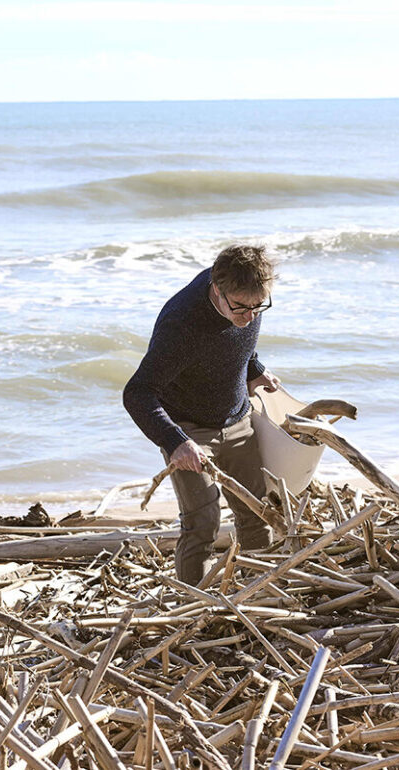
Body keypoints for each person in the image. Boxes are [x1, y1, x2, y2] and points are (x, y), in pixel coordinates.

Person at [123, 244, 280, 584]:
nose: (250, 316)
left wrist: (254, 368)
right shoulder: (182, 323)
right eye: (240, 307)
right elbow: (136, 393)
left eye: (259, 307)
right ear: (216, 287)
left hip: (237, 417)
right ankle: (192, 608)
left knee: (258, 513)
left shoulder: (248, 297)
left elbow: (241, 341)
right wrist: (175, 441)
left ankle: (260, 593)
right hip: (188, 428)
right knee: (203, 523)